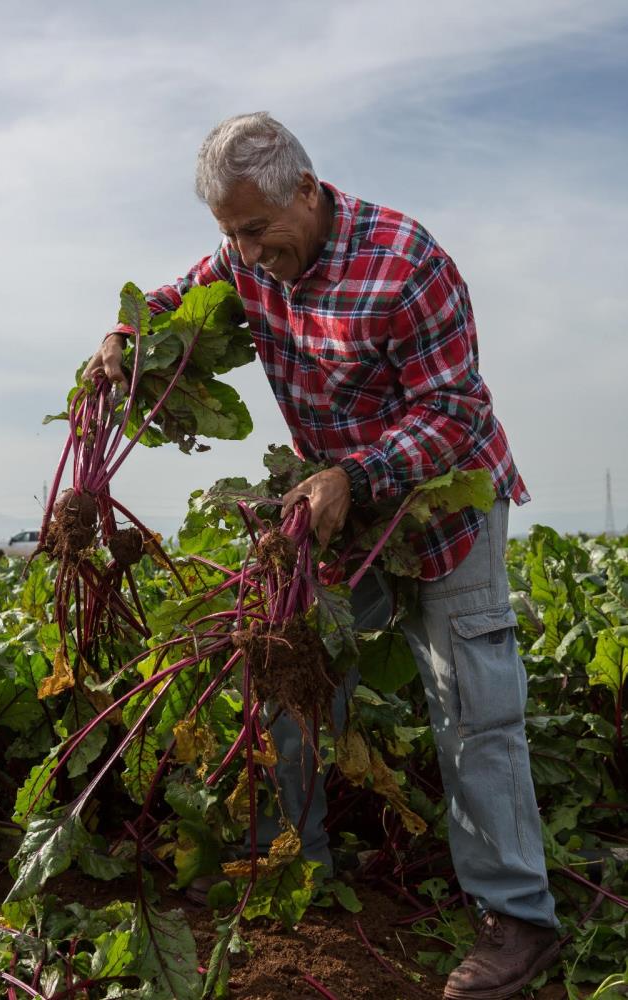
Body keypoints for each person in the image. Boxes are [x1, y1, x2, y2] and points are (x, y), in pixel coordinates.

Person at [84, 112, 560, 998]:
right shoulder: (241, 260)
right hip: (336, 514)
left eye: (258, 229)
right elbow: (176, 298)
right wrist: (127, 336)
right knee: (284, 661)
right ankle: (290, 860)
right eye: (230, 234)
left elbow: (456, 416)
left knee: (472, 708)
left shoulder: (406, 261)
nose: (247, 251)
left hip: (443, 505)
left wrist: (359, 471)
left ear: (306, 190)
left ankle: (519, 918)